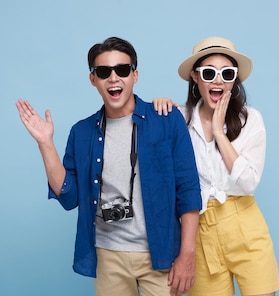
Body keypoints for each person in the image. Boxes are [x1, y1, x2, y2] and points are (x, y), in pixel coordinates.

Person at [16, 37, 202, 296]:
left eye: (122, 70)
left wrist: (187, 254)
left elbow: (189, 190)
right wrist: (46, 144)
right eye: (103, 72)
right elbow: (69, 196)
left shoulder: (167, 120)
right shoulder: (82, 132)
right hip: (107, 255)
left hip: (160, 253)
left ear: (135, 75)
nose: (113, 78)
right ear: (93, 79)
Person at [153, 36, 279, 296]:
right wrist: (160, 104)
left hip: (244, 224)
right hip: (199, 232)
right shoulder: (179, 120)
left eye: (227, 73)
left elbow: (248, 183)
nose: (218, 80)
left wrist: (219, 133)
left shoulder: (250, 119)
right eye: (209, 72)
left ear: (235, 80)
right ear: (195, 77)